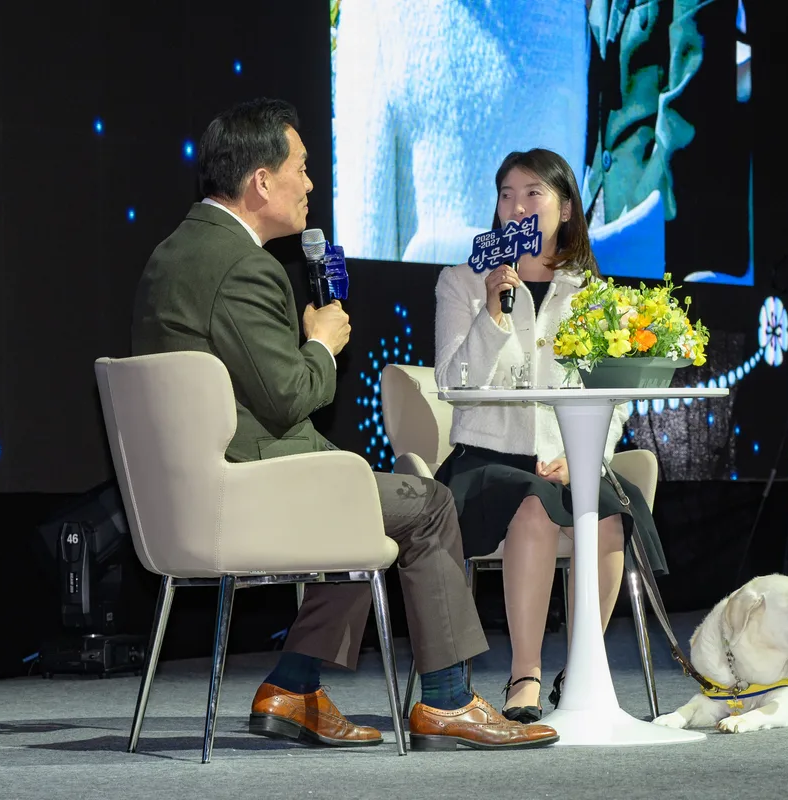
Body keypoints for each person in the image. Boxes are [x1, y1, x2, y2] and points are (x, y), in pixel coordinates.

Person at [132, 98, 558, 751]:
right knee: (428, 504)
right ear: (262, 182)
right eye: (301, 168)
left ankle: (293, 688)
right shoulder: (244, 266)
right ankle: (448, 700)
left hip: (185, 493)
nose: (310, 184)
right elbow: (290, 397)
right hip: (244, 488)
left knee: (363, 506)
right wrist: (322, 343)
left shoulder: (171, 254)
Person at [433, 148, 669, 722]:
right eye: (506, 195)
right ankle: (526, 676)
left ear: (564, 208)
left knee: (608, 515)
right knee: (535, 509)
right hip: (486, 459)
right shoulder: (462, 282)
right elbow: (452, 384)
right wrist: (493, 314)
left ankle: (581, 669)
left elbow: (612, 396)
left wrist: (584, 456)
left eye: (532, 193)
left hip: (566, 457)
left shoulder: (588, 292)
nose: (516, 206)